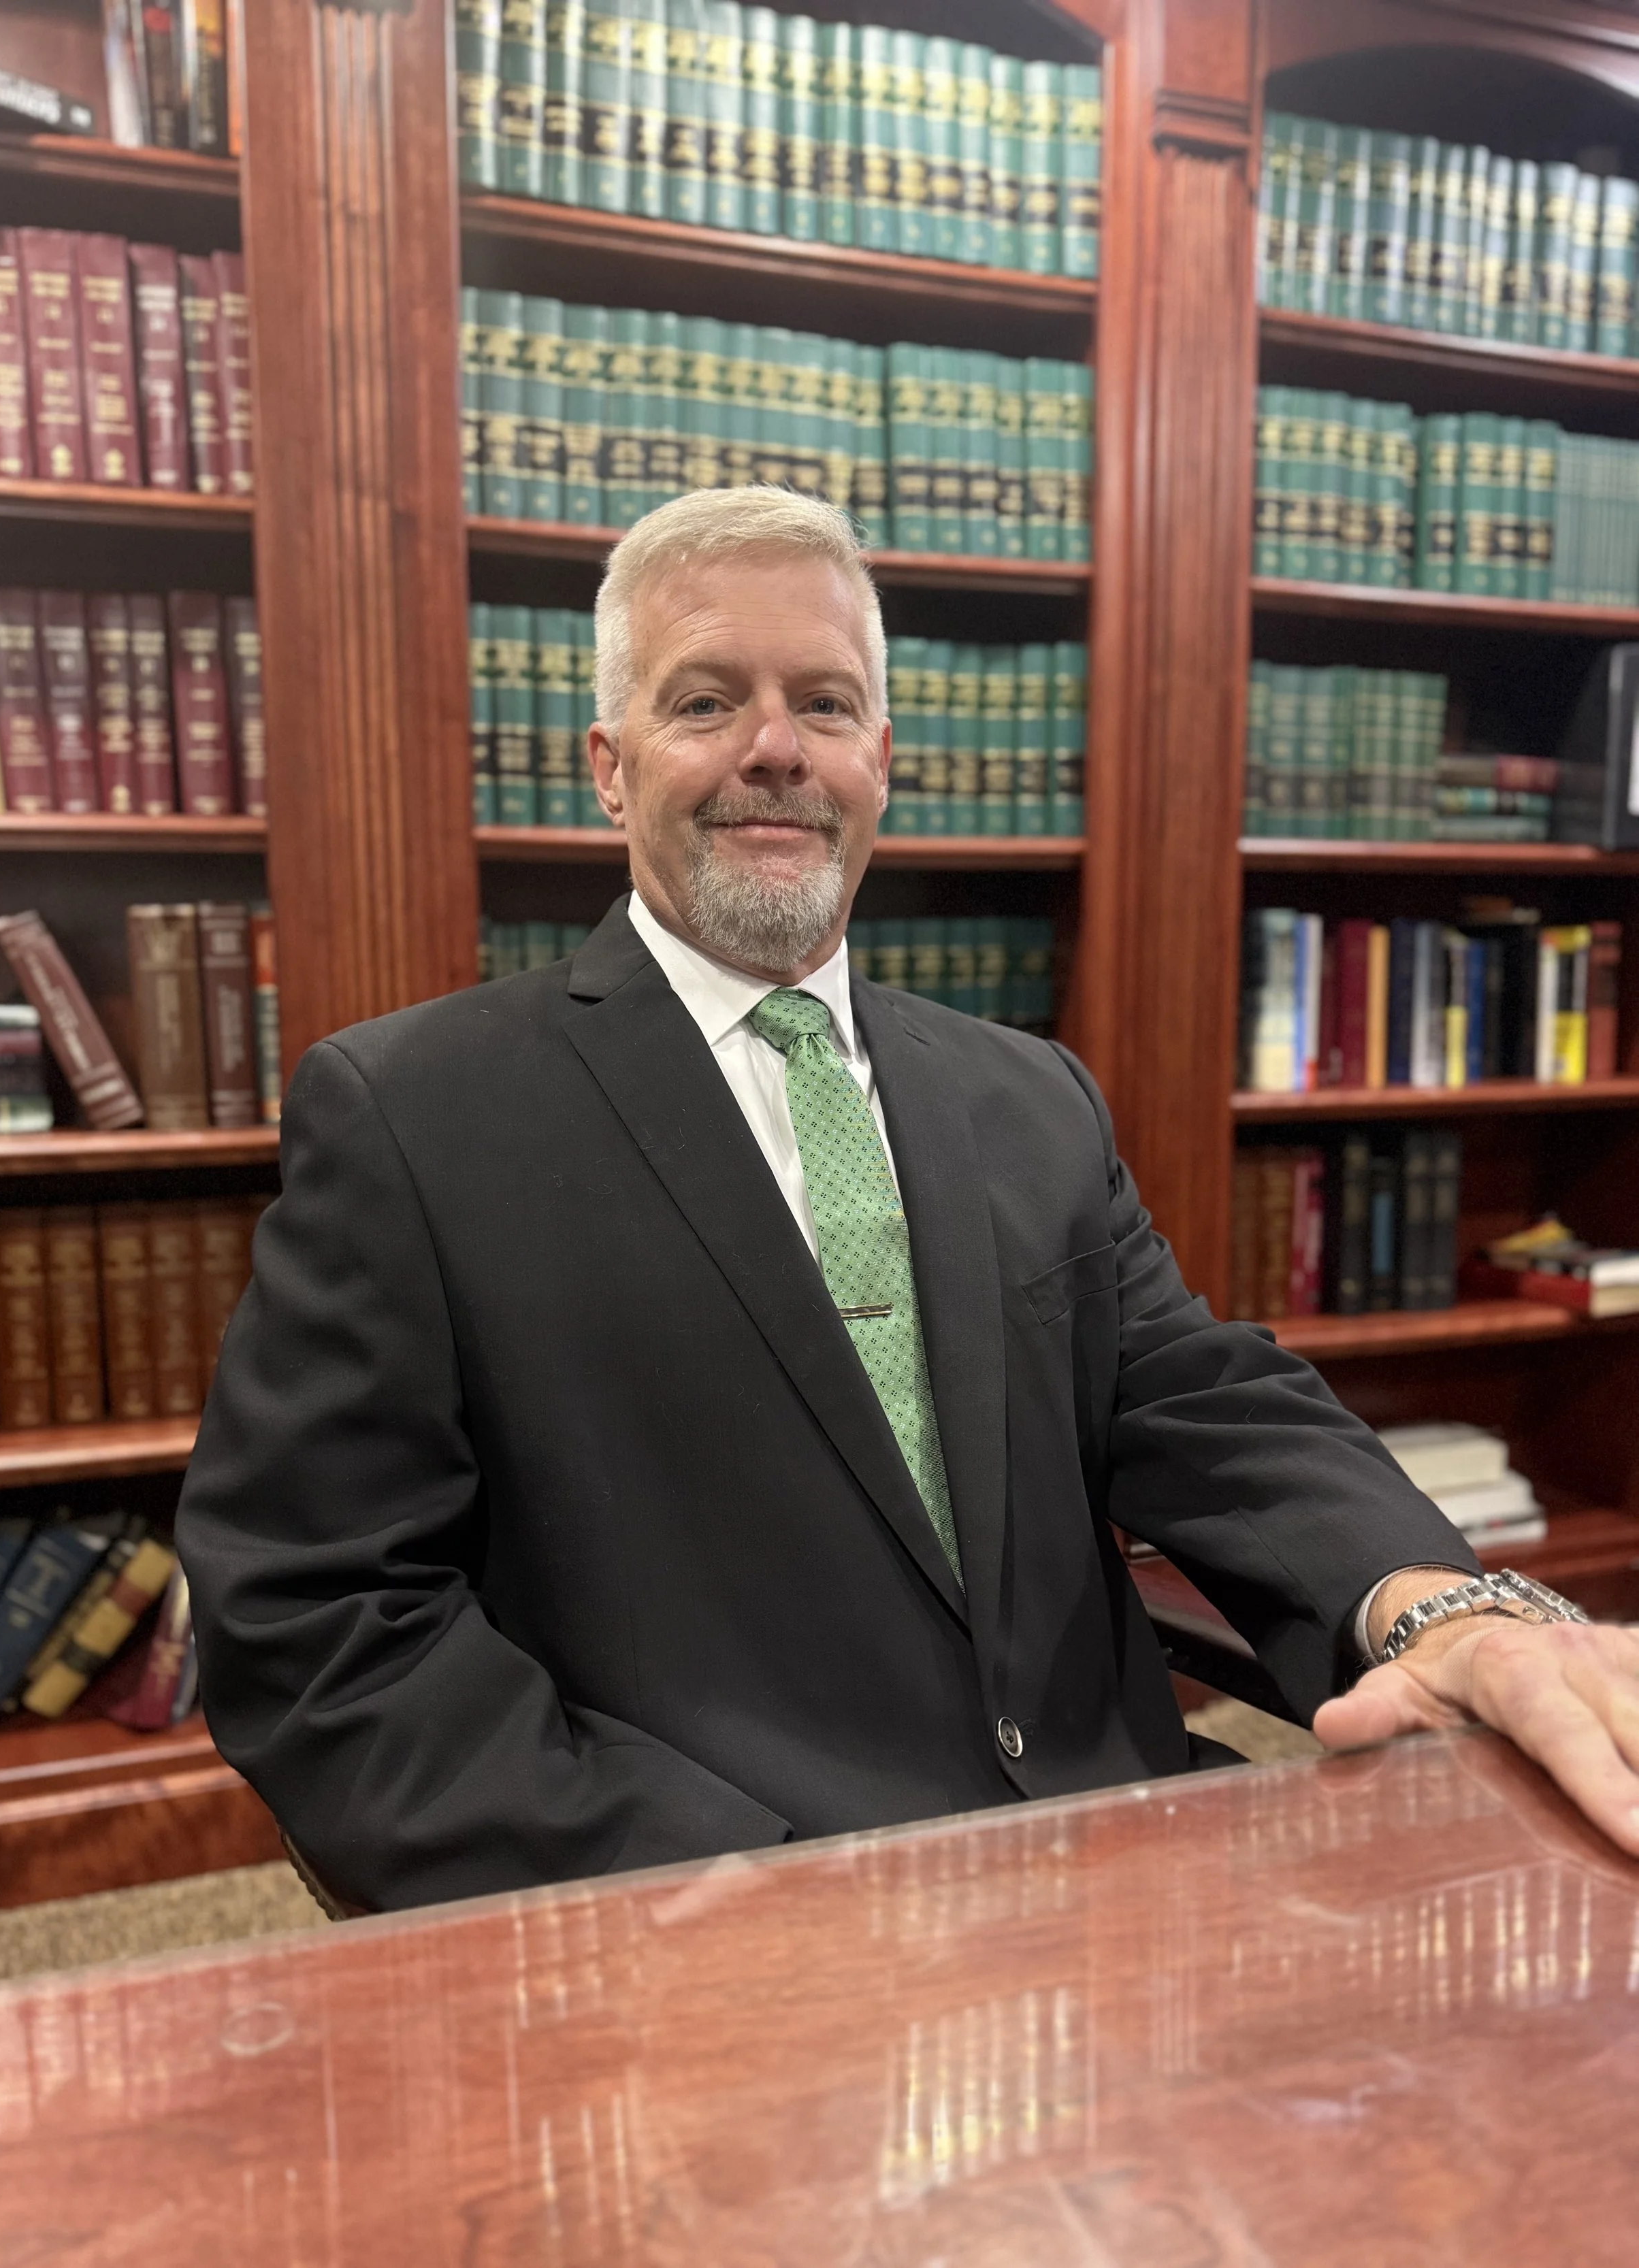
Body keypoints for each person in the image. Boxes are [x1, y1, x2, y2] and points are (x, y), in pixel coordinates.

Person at [178, 487, 1639, 1914]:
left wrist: (1438, 1607)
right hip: (723, 1911)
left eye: (821, 703)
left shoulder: (1026, 1095)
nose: (774, 750)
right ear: (608, 765)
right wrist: (688, 1885)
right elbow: (314, 1615)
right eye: (703, 703)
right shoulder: (416, 1113)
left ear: (880, 754)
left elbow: (1197, 1397)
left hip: (1114, 1853)